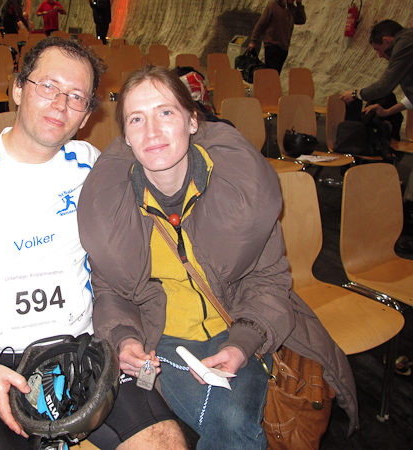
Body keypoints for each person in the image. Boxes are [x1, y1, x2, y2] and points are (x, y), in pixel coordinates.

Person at [0, 38, 189, 450]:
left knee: (166, 442)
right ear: (18, 88)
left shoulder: (93, 165)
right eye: (48, 87)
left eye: (76, 97)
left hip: (87, 350)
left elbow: (170, 155)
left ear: (87, 115)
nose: (60, 105)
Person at [77, 65, 359, 449]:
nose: (152, 132)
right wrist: (125, 339)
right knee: (232, 426)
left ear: (192, 121)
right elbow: (111, 290)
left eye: (165, 112)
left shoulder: (238, 191)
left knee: (231, 425)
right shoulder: (114, 207)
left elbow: (268, 279)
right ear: (125, 136)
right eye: (136, 119)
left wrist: (242, 343)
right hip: (160, 339)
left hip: (237, 323)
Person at [340, 20, 413, 244]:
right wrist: (388, 111)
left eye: (378, 50)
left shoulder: (404, 44)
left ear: (387, 41)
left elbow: (383, 87)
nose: (380, 56)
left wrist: (356, 93)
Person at [248, 0, 306, 74]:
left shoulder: (291, 9)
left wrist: (299, 4)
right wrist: (253, 40)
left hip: (284, 47)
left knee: (276, 75)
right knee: (272, 74)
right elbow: (261, 24)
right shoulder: (273, 6)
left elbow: (301, 20)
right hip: (272, 45)